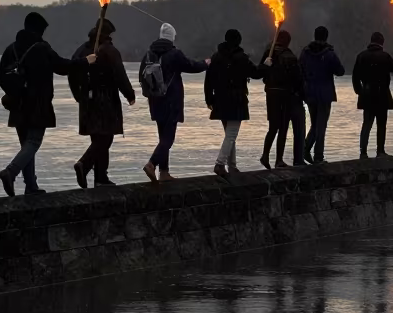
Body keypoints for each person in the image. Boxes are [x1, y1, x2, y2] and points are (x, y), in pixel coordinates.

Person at [0, 12, 94, 196]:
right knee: (33, 142)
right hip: (38, 105)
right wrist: (85, 62)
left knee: (26, 145)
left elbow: (1, 77)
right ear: (39, 29)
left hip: (17, 106)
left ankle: (31, 186)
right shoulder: (42, 48)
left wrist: (15, 93)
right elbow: (62, 67)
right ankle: (10, 172)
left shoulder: (11, 49)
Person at [138, 23, 208, 184]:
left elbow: (141, 78)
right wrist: (205, 63)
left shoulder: (149, 54)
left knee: (162, 136)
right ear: (172, 37)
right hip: (171, 101)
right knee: (168, 138)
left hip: (155, 100)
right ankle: (152, 164)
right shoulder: (174, 53)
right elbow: (191, 66)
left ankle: (164, 172)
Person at [70, 18, 135, 188]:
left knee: (98, 138)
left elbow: (72, 72)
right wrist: (130, 94)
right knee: (105, 138)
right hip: (105, 100)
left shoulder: (81, 50)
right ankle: (84, 164)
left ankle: (100, 178)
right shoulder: (109, 51)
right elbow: (120, 75)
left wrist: (78, 95)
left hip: (87, 100)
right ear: (108, 34)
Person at [205, 29, 265, 177]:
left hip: (219, 99)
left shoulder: (216, 57)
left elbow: (208, 80)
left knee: (229, 134)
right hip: (236, 99)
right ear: (238, 41)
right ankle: (220, 164)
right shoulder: (241, 58)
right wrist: (267, 65)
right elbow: (256, 73)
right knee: (231, 134)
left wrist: (209, 99)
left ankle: (232, 166)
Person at [352, 32, 393, 158]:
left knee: (367, 124)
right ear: (382, 43)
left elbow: (355, 77)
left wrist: (360, 91)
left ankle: (363, 152)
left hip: (367, 94)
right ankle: (380, 151)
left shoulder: (361, 56)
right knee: (381, 125)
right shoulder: (385, 56)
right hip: (382, 95)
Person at [299, 26, 345, 165]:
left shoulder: (305, 52)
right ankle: (318, 156)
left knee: (315, 124)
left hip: (309, 93)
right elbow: (340, 71)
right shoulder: (329, 54)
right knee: (321, 125)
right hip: (325, 93)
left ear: (314, 35)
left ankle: (305, 150)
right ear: (326, 37)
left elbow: (299, 69)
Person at [261, 30, 307, 168]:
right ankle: (278, 160)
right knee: (283, 127)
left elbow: (262, 72)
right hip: (285, 95)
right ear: (288, 42)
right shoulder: (290, 56)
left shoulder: (269, 53)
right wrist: (302, 95)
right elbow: (298, 79)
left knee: (273, 127)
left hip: (270, 94)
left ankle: (265, 155)